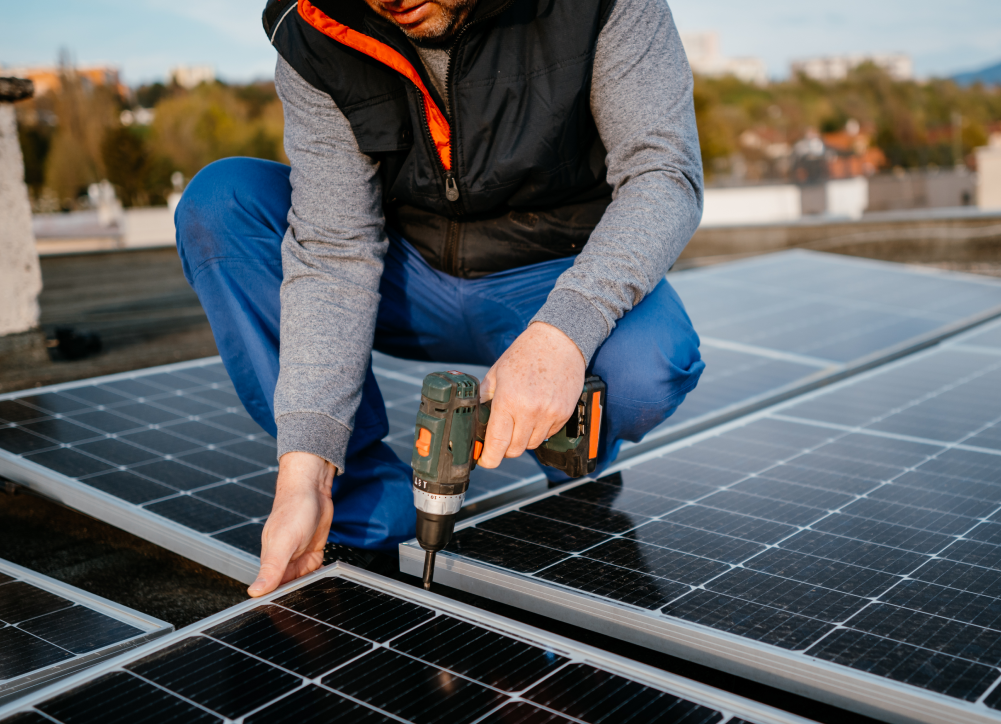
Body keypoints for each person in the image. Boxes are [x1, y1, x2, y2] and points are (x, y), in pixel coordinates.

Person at [175, 0, 705, 597]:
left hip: (550, 272)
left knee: (647, 368)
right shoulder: (316, 21)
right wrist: (305, 471)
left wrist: (562, 333)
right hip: (407, 277)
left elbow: (663, 174)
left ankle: (562, 451)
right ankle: (365, 500)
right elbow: (334, 247)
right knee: (222, 205)